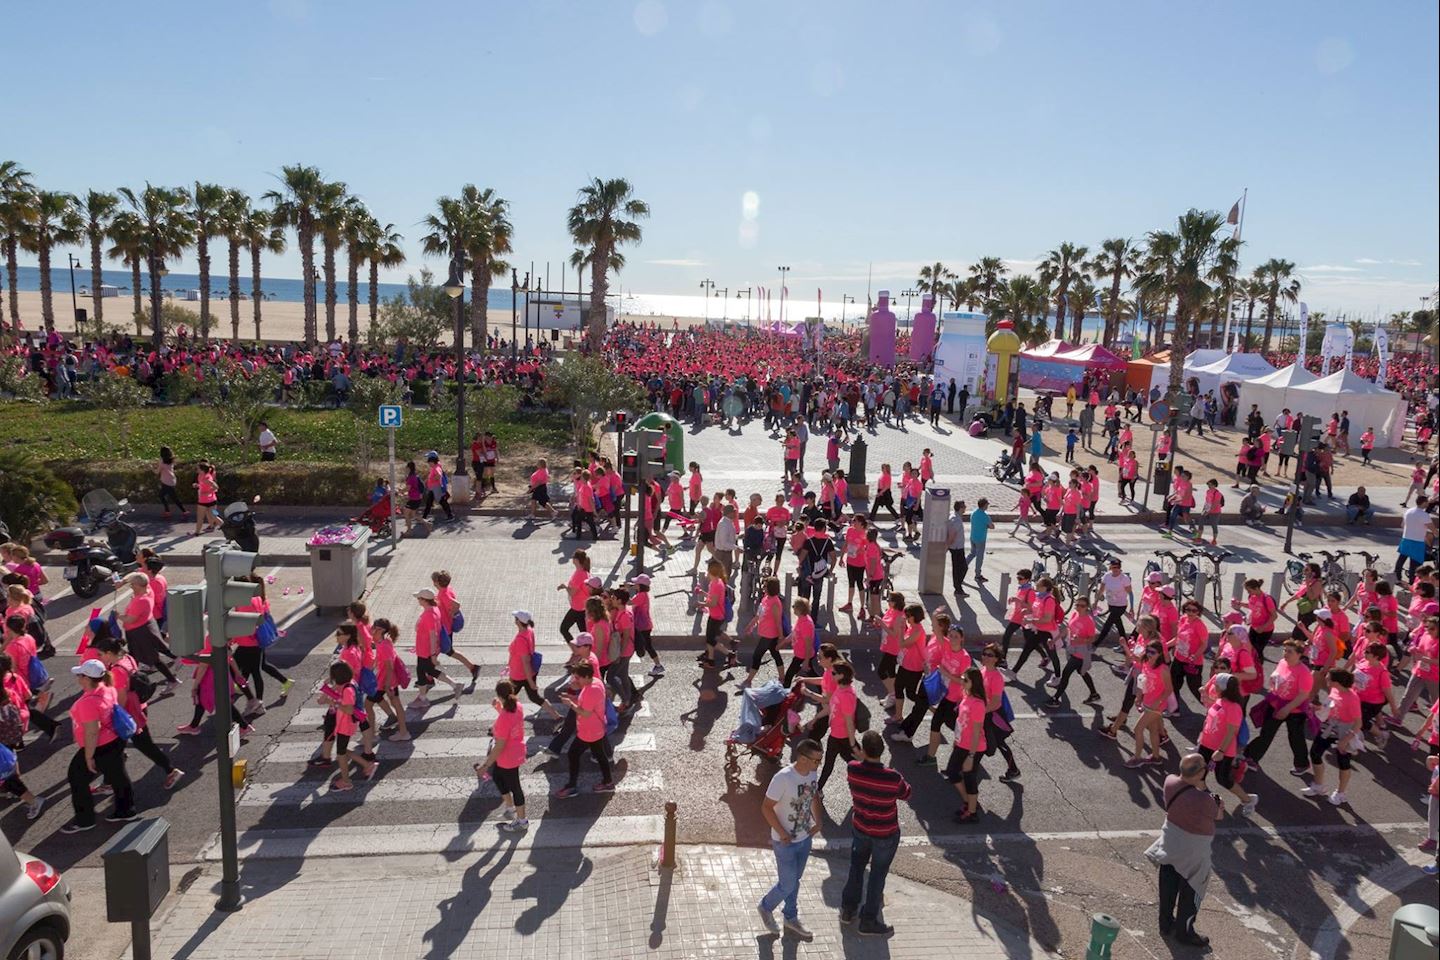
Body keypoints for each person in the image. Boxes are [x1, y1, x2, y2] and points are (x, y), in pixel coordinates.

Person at [1144, 752, 1221, 947]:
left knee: (1167, 883)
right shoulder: (1205, 800)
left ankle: (1165, 924)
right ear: (1200, 773)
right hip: (1194, 851)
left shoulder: (1170, 781)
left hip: (1171, 841)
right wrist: (1207, 790)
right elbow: (1218, 814)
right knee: (1193, 890)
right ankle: (1185, 932)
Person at [840, 730, 910, 936]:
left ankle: (848, 909)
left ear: (863, 750)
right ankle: (868, 919)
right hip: (885, 833)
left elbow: (859, 765)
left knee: (856, 868)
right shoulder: (893, 777)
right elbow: (907, 793)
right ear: (883, 750)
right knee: (877, 875)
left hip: (861, 828)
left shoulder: (852, 769)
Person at [60, 659, 137, 833]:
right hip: (115, 740)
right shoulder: (108, 688)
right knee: (118, 776)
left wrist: (88, 756)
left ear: (86, 678)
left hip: (99, 747)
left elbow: (92, 732)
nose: (78, 679)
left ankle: (85, 821)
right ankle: (126, 810)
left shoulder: (88, 703)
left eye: (80, 675)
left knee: (77, 778)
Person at [758, 739, 823, 941]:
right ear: (802, 758)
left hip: (804, 839)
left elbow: (813, 797)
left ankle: (790, 917)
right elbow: (766, 807)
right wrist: (782, 833)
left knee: (795, 880)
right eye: (815, 761)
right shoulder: (782, 778)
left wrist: (818, 821)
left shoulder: (811, 773)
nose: (818, 765)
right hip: (784, 842)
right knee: (787, 884)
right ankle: (766, 907)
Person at [553, 661, 615, 798]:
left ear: (586, 676)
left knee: (573, 754)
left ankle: (572, 786)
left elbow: (585, 712)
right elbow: (586, 701)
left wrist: (571, 704)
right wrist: (573, 697)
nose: (575, 680)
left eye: (578, 677)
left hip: (589, 731)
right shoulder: (595, 682)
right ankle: (608, 782)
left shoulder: (592, 690)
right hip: (596, 728)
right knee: (600, 755)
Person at [475, 680, 530, 831]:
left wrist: (485, 766)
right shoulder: (517, 706)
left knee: (515, 787)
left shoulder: (505, 717)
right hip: (514, 752)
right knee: (498, 778)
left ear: (499, 695)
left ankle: (522, 820)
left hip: (508, 756)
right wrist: (499, 708)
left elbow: (499, 746)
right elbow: (509, 721)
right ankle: (511, 808)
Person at [1395, 495, 1434, 583]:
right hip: (1417, 542)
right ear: (1424, 503)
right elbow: (1433, 529)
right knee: (1415, 564)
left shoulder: (1408, 511)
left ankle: (1397, 577)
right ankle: (1412, 582)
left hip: (1406, 539)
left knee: (1401, 559)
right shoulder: (1424, 515)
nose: (1428, 503)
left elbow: (1402, 525)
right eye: (1427, 502)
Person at [945, 500, 968, 598]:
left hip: (957, 546)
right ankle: (958, 587)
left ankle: (958, 587)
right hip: (957, 547)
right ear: (960, 508)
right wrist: (947, 546)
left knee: (958, 568)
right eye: (964, 506)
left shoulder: (954, 516)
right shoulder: (956, 520)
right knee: (962, 568)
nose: (965, 508)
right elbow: (952, 534)